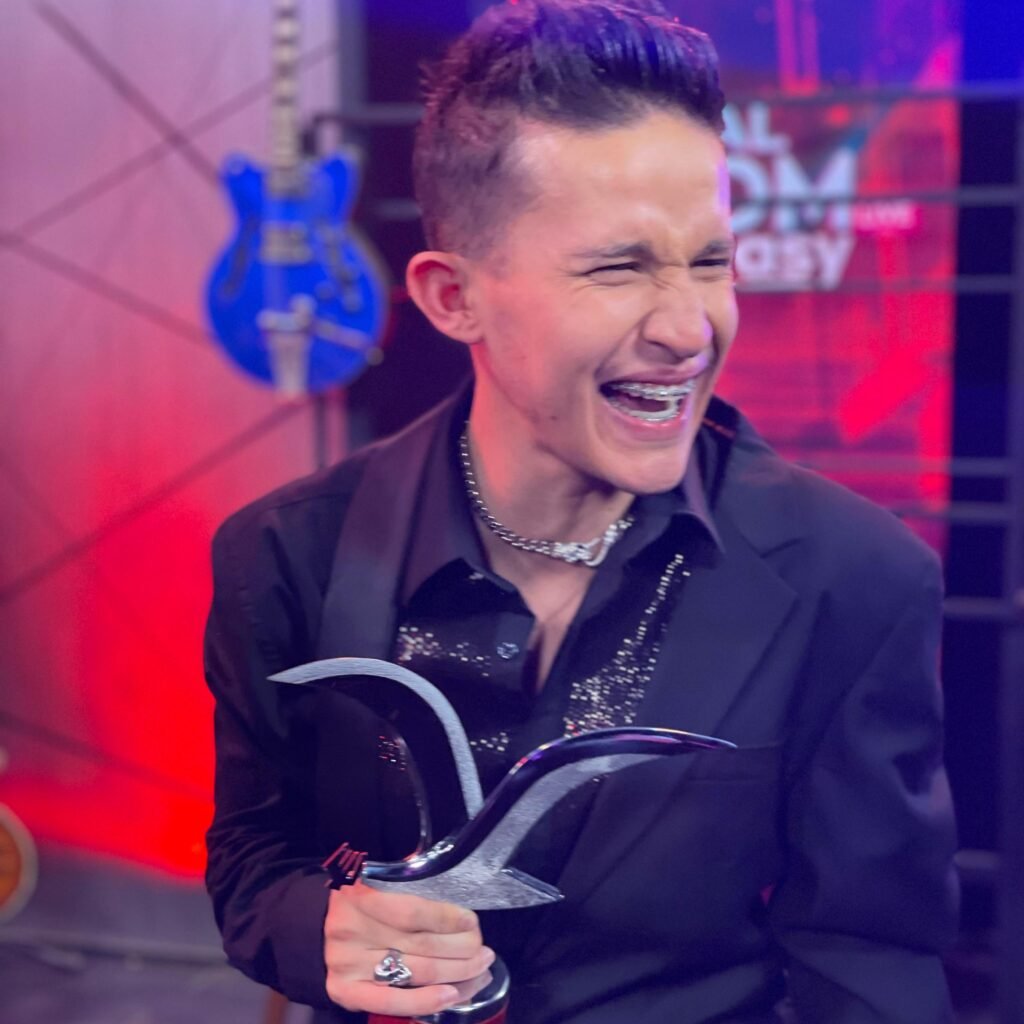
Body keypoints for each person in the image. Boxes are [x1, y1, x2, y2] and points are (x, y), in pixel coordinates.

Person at [203, 2, 959, 1021]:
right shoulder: (288, 551)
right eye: (618, 267)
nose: (690, 327)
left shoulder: (853, 575)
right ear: (452, 297)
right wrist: (331, 934)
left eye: (710, 261)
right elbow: (256, 856)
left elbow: (870, 967)